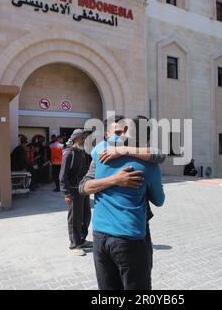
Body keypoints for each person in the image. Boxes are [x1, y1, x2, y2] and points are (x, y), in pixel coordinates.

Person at [79, 116, 166, 287]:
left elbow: (83, 188)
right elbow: (159, 200)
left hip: (100, 235)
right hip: (130, 237)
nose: (122, 135)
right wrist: (115, 180)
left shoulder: (98, 152)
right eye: (118, 132)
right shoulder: (148, 163)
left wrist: (122, 151)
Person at [60, 129, 93, 257]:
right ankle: (74, 244)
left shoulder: (83, 153)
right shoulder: (69, 153)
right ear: (76, 138)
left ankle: (82, 240)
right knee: (75, 218)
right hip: (73, 191)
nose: (84, 139)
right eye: (82, 137)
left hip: (83, 189)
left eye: (85, 137)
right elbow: (62, 175)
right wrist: (66, 194)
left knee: (85, 216)